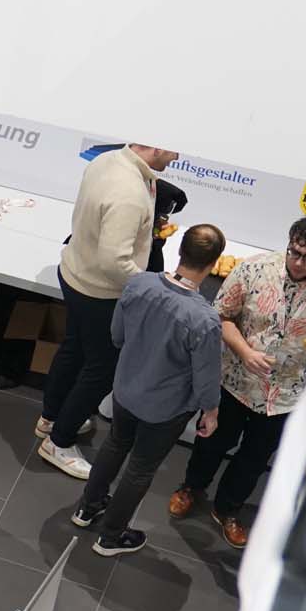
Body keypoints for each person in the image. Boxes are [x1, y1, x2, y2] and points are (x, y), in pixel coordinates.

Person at [170, 216, 306, 548]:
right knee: (212, 443)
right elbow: (221, 316)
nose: (297, 261)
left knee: (253, 458)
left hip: (287, 394)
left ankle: (227, 509)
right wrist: (245, 351)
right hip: (235, 380)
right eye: (294, 251)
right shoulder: (255, 269)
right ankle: (191, 487)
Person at [70, 224, 226, 557]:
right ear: (214, 264)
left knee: (114, 444)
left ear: (180, 250)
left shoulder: (139, 283)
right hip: (165, 407)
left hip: (126, 388)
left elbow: (117, 335)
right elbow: (206, 376)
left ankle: (87, 508)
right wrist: (210, 411)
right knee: (140, 468)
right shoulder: (204, 319)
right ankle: (111, 537)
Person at [36, 143, 179, 479]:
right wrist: (150, 286)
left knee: (74, 348)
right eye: (174, 150)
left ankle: (50, 418)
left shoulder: (107, 160)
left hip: (75, 272)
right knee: (102, 368)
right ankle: (59, 441)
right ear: (156, 146)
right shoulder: (128, 193)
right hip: (100, 292)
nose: (177, 158)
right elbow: (114, 261)